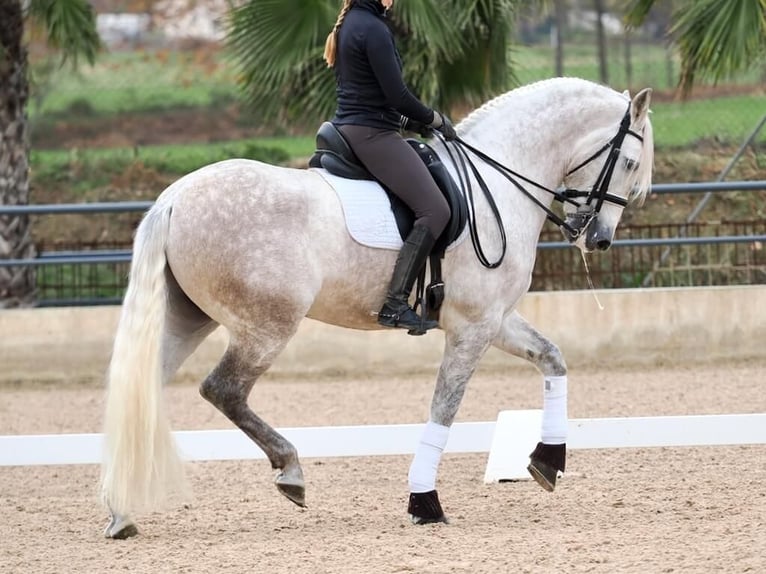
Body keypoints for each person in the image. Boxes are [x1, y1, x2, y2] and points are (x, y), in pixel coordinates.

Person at [323, 0, 457, 334]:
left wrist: (414, 123)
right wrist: (435, 118)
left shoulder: (352, 23)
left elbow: (370, 95)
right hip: (372, 135)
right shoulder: (373, 28)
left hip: (357, 126)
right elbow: (397, 94)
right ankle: (395, 303)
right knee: (436, 210)